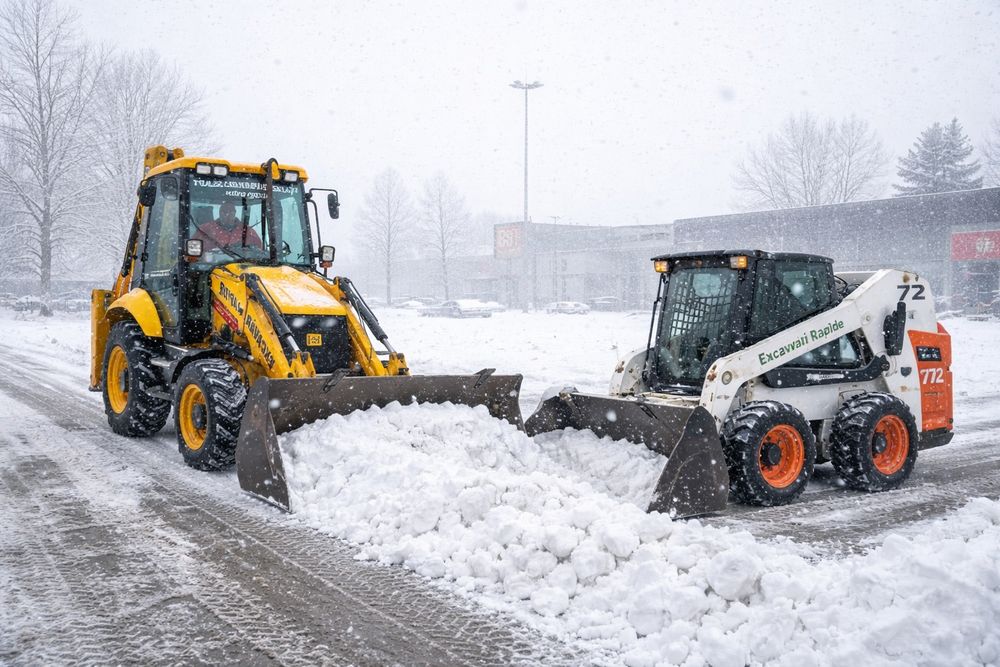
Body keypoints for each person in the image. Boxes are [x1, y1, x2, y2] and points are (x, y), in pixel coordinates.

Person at [193, 201, 263, 253]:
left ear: (235, 213)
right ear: (219, 213)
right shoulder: (205, 229)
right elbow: (193, 252)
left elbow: (259, 253)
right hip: (208, 268)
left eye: (231, 212)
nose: (227, 215)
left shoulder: (248, 231)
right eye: (224, 212)